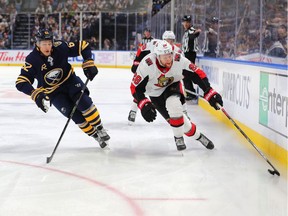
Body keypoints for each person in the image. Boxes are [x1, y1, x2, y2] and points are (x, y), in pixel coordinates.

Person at [15, 28, 110, 148]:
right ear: (37, 44)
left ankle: (100, 128)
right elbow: (21, 81)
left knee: (84, 103)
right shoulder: (32, 59)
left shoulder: (60, 47)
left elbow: (83, 45)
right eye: (44, 44)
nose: (47, 47)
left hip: (70, 81)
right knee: (75, 116)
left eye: (49, 43)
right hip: (53, 92)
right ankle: (96, 136)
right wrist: (35, 94)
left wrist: (88, 62)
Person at [130, 40, 223, 151]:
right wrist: (143, 103)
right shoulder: (147, 64)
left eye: (169, 55)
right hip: (154, 93)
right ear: (158, 57)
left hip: (172, 86)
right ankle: (198, 136)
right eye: (165, 57)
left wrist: (209, 91)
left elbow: (197, 73)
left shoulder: (179, 59)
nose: (169, 59)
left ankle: (178, 138)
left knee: (174, 106)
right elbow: (135, 88)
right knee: (184, 126)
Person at [128, 30, 187, 125]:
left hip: (167, 77)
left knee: (178, 90)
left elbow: (182, 66)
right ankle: (133, 111)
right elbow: (141, 50)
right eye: (167, 40)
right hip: (151, 74)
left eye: (172, 41)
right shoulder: (154, 44)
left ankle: (184, 112)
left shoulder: (177, 51)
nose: (169, 43)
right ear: (163, 40)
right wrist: (136, 62)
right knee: (141, 90)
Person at [181, 15, 201, 101]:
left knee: (186, 74)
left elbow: (194, 35)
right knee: (186, 74)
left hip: (190, 54)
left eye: (188, 22)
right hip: (187, 54)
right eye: (185, 22)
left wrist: (197, 32)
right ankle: (190, 92)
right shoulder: (186, 31)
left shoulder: (191, 30)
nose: (186, 24)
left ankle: (191, 93)